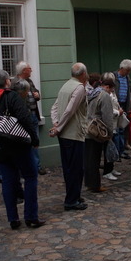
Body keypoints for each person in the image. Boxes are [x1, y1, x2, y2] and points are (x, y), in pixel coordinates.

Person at [0, 71, 44, 229]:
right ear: (7, 81)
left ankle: (13, 219)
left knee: (8, 182)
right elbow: (24, 118)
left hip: (0, 145)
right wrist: (34, 138)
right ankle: (31, 217)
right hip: (18, 144)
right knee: (30, 176)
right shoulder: (11, 96)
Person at [50, 63, 89, 211]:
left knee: (69, 167)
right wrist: (58, 127)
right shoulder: (79, 88)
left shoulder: (65, 85)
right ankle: (71, 200)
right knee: (76, 168)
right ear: (83, 74)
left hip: (65, 134)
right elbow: (70, 110)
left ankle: (74, 195)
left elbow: (54, 107)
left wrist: (56, 123)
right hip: (73, 133)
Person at [84, 74, 115, 193]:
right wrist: (110, 133)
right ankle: (95, 185)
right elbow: (107, 116)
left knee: (89, 158)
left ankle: (89, 182)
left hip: (87, 128)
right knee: (95, 159)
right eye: (111, 90)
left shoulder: (92, 93)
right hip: (97, 131)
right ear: (107, 87)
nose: (111, 92)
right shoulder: (104, 96)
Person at [15, 62, 46, 175]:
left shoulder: (30, 81)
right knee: (23, 142)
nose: (31, 70)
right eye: (29, 68)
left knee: (35, 140)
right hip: (23, 117)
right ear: (24, 70)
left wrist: (37, 95)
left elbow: (36, 92)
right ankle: (25, 166)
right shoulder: (15, 83)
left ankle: (36, 166)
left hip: (33, 115)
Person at [113, 59, 131, 160]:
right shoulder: (114, 76)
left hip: (124, 105)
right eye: (127, 70)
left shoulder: (127, 78)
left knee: (122, 128)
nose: (128, 72)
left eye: (130, 70)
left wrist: (128, 106)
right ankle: (116, 151)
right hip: (116, 105)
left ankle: (121, 150)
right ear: (122, 68)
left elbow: (129, 91)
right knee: (116, 130)